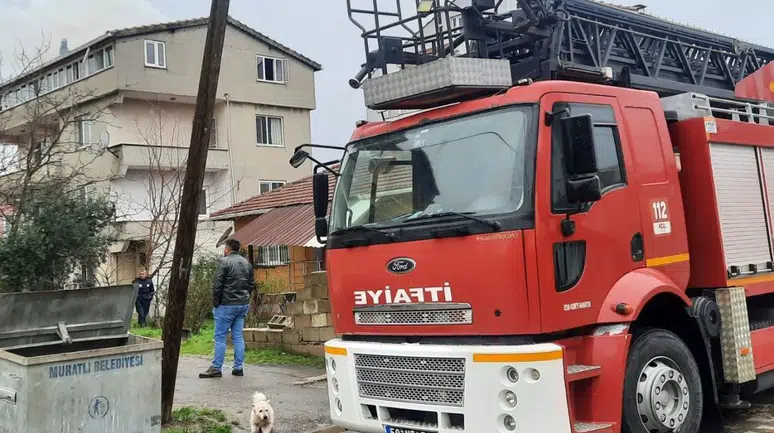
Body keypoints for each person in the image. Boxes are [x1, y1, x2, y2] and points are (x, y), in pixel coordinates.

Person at [200, 238, 255, 378]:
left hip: (226, 304)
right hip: (242, 304)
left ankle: (216, 368)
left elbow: (217, 285)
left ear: (227, 249)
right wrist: (245, 297)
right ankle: (238, 367)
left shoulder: (224, 262)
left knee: (220, 337)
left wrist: (216, 303)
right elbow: (251, 284)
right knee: (238, 336)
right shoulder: (246, 262)